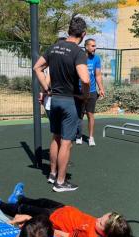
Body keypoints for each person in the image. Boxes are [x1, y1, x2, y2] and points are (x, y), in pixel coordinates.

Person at [0, 183, 131, 237]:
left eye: (100, 221)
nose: (98, 218)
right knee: (40, 200)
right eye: (102, 217)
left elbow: (66, 236)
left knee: (25, 210)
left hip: (52, 218)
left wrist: (50, 228)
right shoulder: (103, 228)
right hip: (62, 209)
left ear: (104, 233)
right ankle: (19, 198)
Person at [33, 17, 90, 192]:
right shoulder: (78, 52)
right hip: (69, 102)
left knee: (55, 138)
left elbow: (37, 68)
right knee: (66, 142)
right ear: (84, 34)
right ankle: (61, 182)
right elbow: (85, 79)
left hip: (55, 100)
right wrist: (85, 96)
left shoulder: (54, 48)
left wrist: (46, 88)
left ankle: (52, 174)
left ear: (68, 31)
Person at [75, 38, 105, 147]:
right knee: (79, 115)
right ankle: (79, 136)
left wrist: (101, 88)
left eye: (95, 45)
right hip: (79, 91)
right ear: (86, 46)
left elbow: (97, 75)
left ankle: (91, 138)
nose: (94, 48)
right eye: (92, 46)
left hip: (92, 91)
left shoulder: (96, 58)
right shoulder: (79, 57)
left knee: (90, 115)